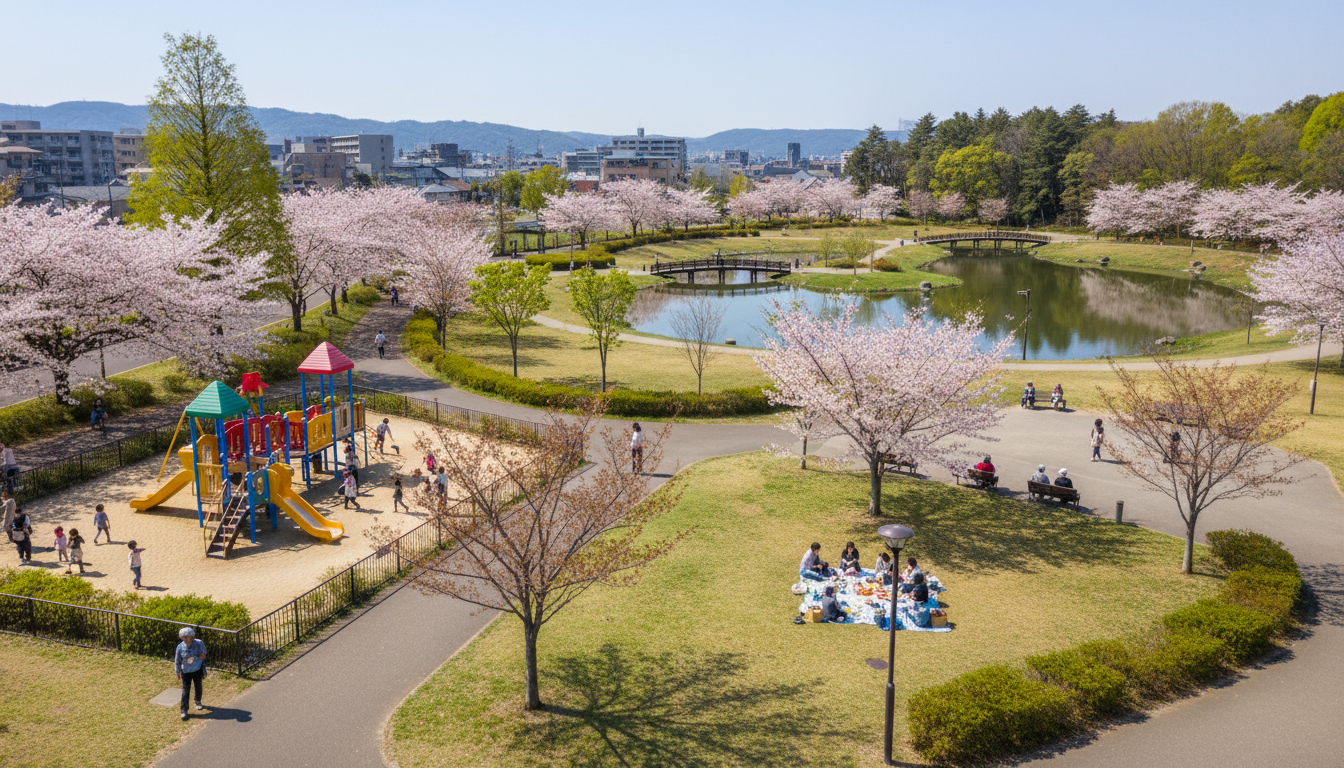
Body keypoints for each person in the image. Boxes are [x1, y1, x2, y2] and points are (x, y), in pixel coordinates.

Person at [174, 627, 208, 720]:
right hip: (186, 671)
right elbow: (177, 660)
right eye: (185, 637)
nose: (188, 640)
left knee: (198, 686)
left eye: (190, 637)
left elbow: (204, 653)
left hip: (197, 669)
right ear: (182, 638)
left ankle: (198, 701)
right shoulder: (180, 647)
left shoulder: (199, 643)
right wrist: (177, 671)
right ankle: (184, 711)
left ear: (193, 637)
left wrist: (201, 656)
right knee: (185, 691)